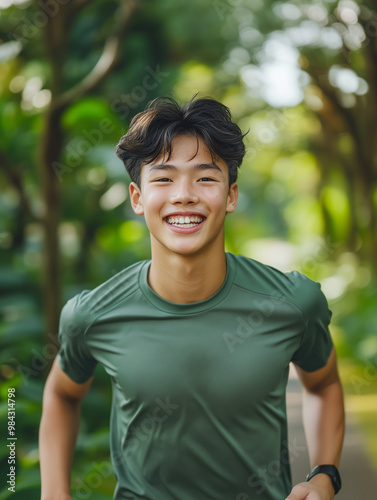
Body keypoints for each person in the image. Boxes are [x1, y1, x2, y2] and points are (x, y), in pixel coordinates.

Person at [39, 95, 345, 500]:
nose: (184, 195)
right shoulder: (91, 314)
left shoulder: (293, 303)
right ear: (137, 198)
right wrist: (54, 492)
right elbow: (62, 393)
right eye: (163, 178)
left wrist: (324, 476)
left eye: (205, 177)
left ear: (231, 195)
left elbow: (322, 384)